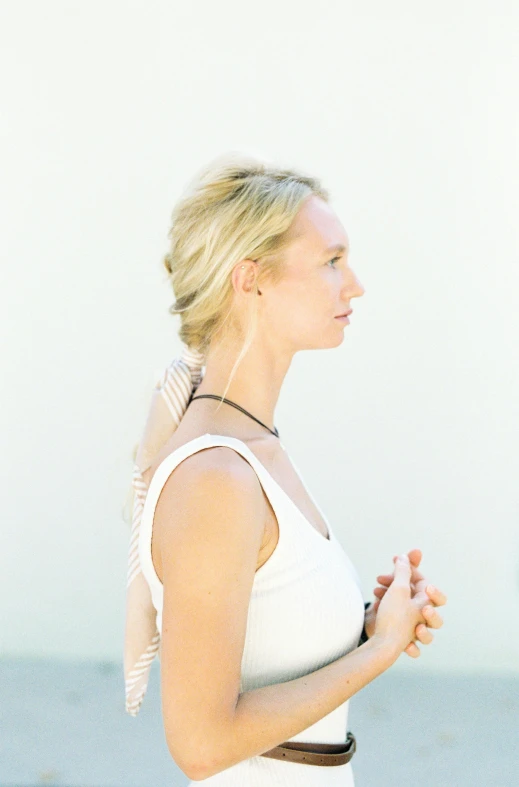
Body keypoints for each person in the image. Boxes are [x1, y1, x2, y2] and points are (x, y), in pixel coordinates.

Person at [123, 152, 447, 785]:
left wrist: (365, 630)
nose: (354, 284)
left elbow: (265, 657)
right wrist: (380, 652)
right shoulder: (216, 477)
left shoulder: (254, 450)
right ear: (252, 280)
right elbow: (200, 743)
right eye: (331, 261)